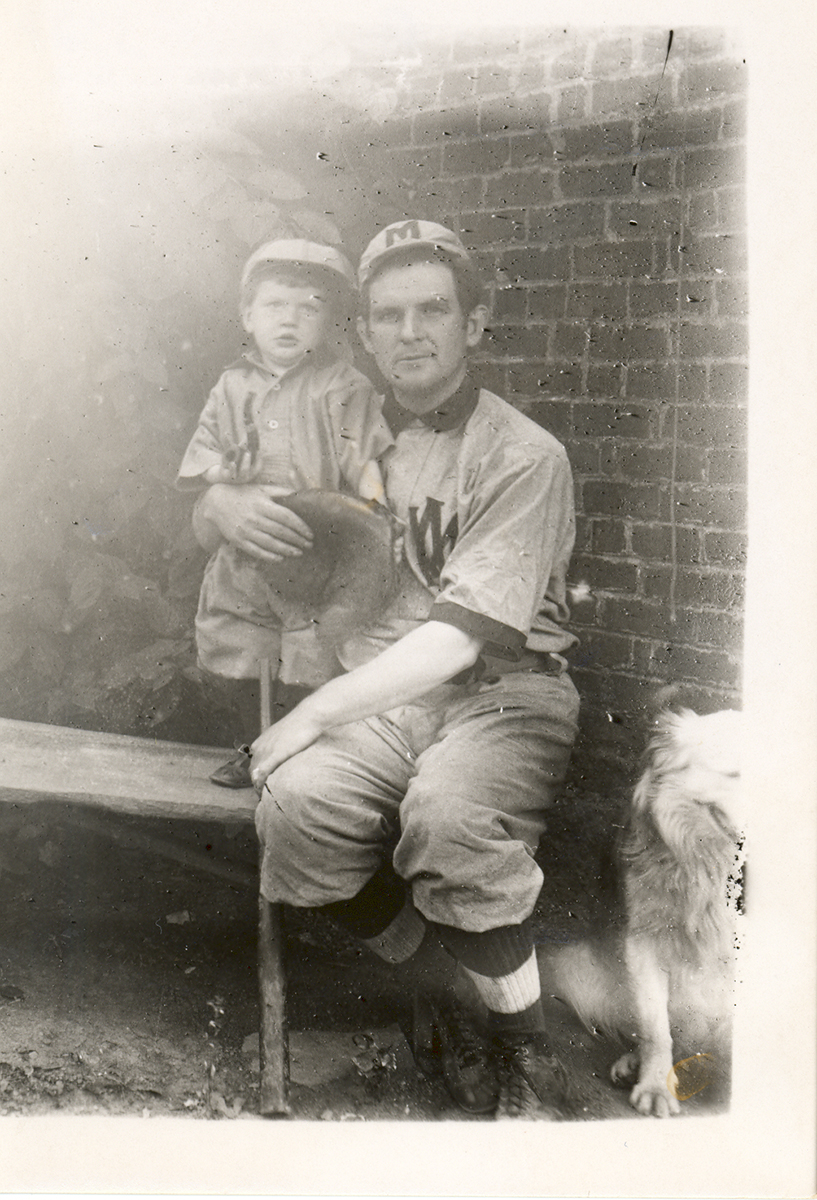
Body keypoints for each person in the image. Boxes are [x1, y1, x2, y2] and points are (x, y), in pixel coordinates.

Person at [194, 220, 580, 1118]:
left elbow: (458, 640)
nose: (410, 333)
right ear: (361, 333)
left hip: (497, 693)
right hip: (380, 697)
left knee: (446, 824)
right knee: (296, 814)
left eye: (433, 311)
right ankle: (447, 985)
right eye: (388, 315)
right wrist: (222, 500)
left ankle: (523, 1051)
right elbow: (226, 514)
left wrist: (310, 713)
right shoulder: (339, 430)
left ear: (474, 325)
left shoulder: (524, 454)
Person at [177, 239, 392, 787]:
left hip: (313, 548)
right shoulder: (231, 387)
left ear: (330, 322)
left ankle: (303, 753)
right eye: (275, 306)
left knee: (311, 648)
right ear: (248, 316)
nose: (290, 321)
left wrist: (375, 510)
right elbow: (205, 460)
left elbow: (364, 456)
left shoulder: (344, 386)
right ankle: (250, 747)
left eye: (310, 307)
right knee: (247, 647)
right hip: (247, 552)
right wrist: (224, 474)